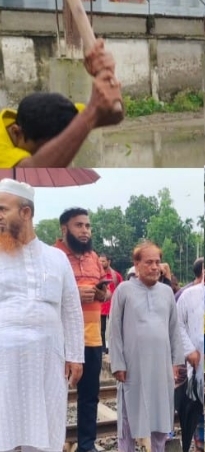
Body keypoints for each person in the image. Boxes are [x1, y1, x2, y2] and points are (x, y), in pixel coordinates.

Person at [0, 179, 84, 452]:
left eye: (3, 209)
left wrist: (75, 355)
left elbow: (71, 309)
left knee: (45, 430)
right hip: (5, 363)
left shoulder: (56, 258)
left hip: (47, 361)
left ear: (25, 213)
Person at [109, 242, 184, 452]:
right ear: (137, 264)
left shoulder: (166, 292)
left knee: (161, 413)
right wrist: (118, 363)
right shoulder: (124, 290)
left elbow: (174, 328)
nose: (154, 267)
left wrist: (176, 361)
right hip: (133, 364)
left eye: (157, 262)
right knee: (128, 417)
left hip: (161, 364)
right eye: (149, 262)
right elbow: (114, 329)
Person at [0, 40, 122, 168]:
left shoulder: (60, 117)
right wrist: (90, 116)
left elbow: (113, 113)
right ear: (16, 132)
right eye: (40, 151)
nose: (54, 154)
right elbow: (34, 172)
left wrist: (107, 74)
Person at [54, 208, 106, 452]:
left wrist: (100, 292)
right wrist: (75, 293)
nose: (85, 231)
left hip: (93, 337)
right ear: (64, 229)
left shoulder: (94, 256)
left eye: (87, 225)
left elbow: (103, 292)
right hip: (62, 339)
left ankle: (87, 445)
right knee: (55, 395)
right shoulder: (53, 256)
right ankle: (54, 442)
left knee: (89, 397)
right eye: (79, 225)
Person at [175, 271, 205, 452]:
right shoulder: (186, 294)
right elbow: (178, 324)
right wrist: (189, 350)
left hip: (201, 355)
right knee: (192, 406)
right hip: (191, 363)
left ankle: (201, 444)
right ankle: (194, 444)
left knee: (201, 405)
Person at [98, 253, 122, 354]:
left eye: (103, 261)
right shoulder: (97, 275)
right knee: (101, 329)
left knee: (114, 329)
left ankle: (114, 348)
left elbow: (121, 289)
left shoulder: (115, 276)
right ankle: (102, 349)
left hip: (113, 306)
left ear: (108, 262)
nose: (101, 263)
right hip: (101, 307)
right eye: (100, 261)